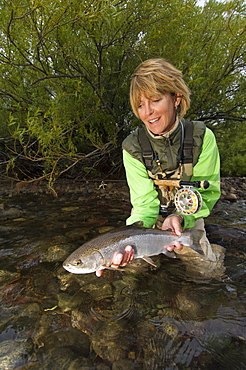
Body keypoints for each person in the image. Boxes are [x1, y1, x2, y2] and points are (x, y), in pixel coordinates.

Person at [96, 58, 222, 278]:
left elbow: (207, 192)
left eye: (155, 100)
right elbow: (143, 203)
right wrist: (129, 242)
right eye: (140, 106)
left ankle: (216, 252)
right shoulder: (132, 147)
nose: (148, 112)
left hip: (187, 217)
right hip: (147, 222)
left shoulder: (202, 137)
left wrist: (180, 218)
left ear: (176, 98)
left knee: (207, 274)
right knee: (131, 272)